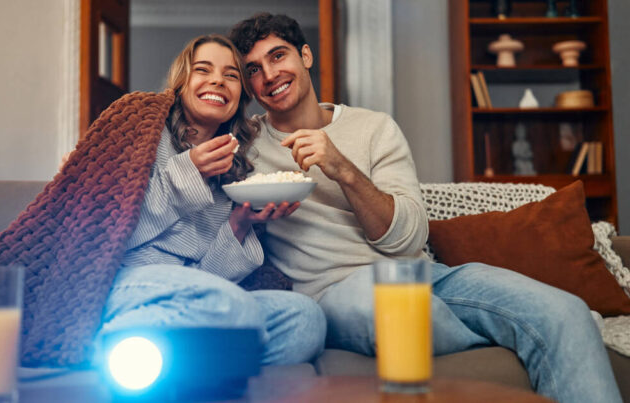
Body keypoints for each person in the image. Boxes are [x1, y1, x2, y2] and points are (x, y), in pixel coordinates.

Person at [228, 13, 622, 402]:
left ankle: (534, 331)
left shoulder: (374, 128)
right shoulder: (246, 147)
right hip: (336, 291)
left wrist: (342, 168)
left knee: (567, 312)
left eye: (278, 56)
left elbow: (408, 237)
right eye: (253, 70)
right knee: (402, 315)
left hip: (423, 274)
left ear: (306, 56)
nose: (269, 74)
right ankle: (520, 336)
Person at [94, 34, 325, 366]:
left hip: (201, 297)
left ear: (240, 96)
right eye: (203, 69)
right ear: (181, 82)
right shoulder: (142, 133)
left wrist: (238, 225)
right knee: (231, 305)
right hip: (129, 283)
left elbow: (208, 277)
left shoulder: (234, 170)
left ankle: (177, 362)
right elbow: (106, 234)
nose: (218, 79)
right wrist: (187, 171)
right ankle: (113, 349)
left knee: (305, 318)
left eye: (231, 75)